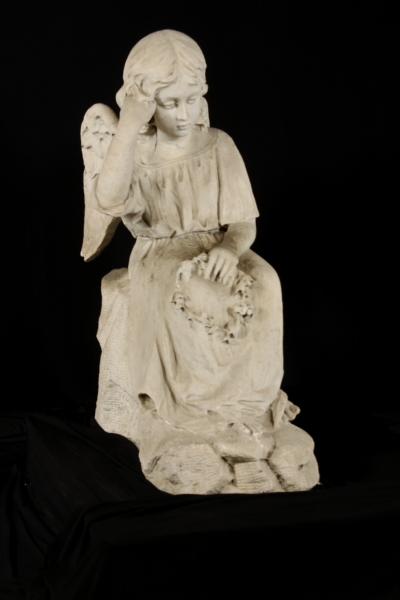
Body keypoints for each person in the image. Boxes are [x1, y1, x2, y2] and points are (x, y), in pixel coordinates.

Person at [92, 29, 286, 435]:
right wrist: (128, 126)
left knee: (267, 282)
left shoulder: (219, 145)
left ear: (204, 94)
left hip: (219, 242)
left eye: (192, 99)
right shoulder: (134, 154)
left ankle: (253, 400)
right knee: (183, 290)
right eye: (170, 103)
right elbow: (107, 198)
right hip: (160, 251)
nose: (183, 114)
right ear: (146, 103)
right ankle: (191, 407)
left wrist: (230, 249)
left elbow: (243, 223)